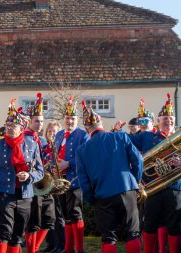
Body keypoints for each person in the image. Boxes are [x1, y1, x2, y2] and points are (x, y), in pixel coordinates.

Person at [114, 93, 181, 253]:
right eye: (164, 118)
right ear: (158, 121)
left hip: (175, 187)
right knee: (149, 224)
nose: (168, 121)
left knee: (174, 226)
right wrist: (117, 131)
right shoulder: (147, 136)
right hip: (152, 188)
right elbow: (127, 140)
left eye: (170, 118)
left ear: (174, 121)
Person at [76, 100, 143, 253]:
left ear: (87, 129)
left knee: (108, 238)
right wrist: (135, 181)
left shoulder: (81, 150)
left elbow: (84, 181)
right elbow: (138, 160)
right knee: (132, 234)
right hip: (127, 189)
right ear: (101, 122)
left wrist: (92, 199)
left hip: (101, 196)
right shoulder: (120, 137)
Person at [0, 99, 44, 253]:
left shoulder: (32, 144)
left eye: (13, 125)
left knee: (17, 235)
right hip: (4, 194)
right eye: (7, 125)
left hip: (25, 195)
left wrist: (29, 175)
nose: (8, 128)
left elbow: (40, 171)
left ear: (22, 127)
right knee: (4, 232)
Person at [53, 96, 89, 253]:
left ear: (77, 119)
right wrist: (53, 166)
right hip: (60, 180)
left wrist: (69, 163)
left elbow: (87, 156)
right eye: (68, 118)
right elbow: (55, 153)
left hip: (75, 180)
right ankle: (68, 249)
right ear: (63, 119)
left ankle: (79, 248)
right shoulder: (59, 134)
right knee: (65, 214)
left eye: (73, 119)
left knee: (75, 213)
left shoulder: (83, 135)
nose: (70, 122)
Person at [24, 93, 55, 253]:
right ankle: (31, 250)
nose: (40, 124)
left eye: (42, 121)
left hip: (44, 183)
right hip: (32, 184)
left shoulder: (41, 140)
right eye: (36, 121)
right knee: (33, 222)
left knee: (50, 219)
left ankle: (34, 248)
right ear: (29, 121)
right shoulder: (24, 138)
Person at [41, 121, 64, 253]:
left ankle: (61, 245)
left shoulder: (60, 147)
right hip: (46, 184)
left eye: (54, 131)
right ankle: (51, 244)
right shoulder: (44, 148)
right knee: (48, 215)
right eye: (49, 131)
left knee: (59, 215)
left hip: (57, 184)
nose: (52, 134)